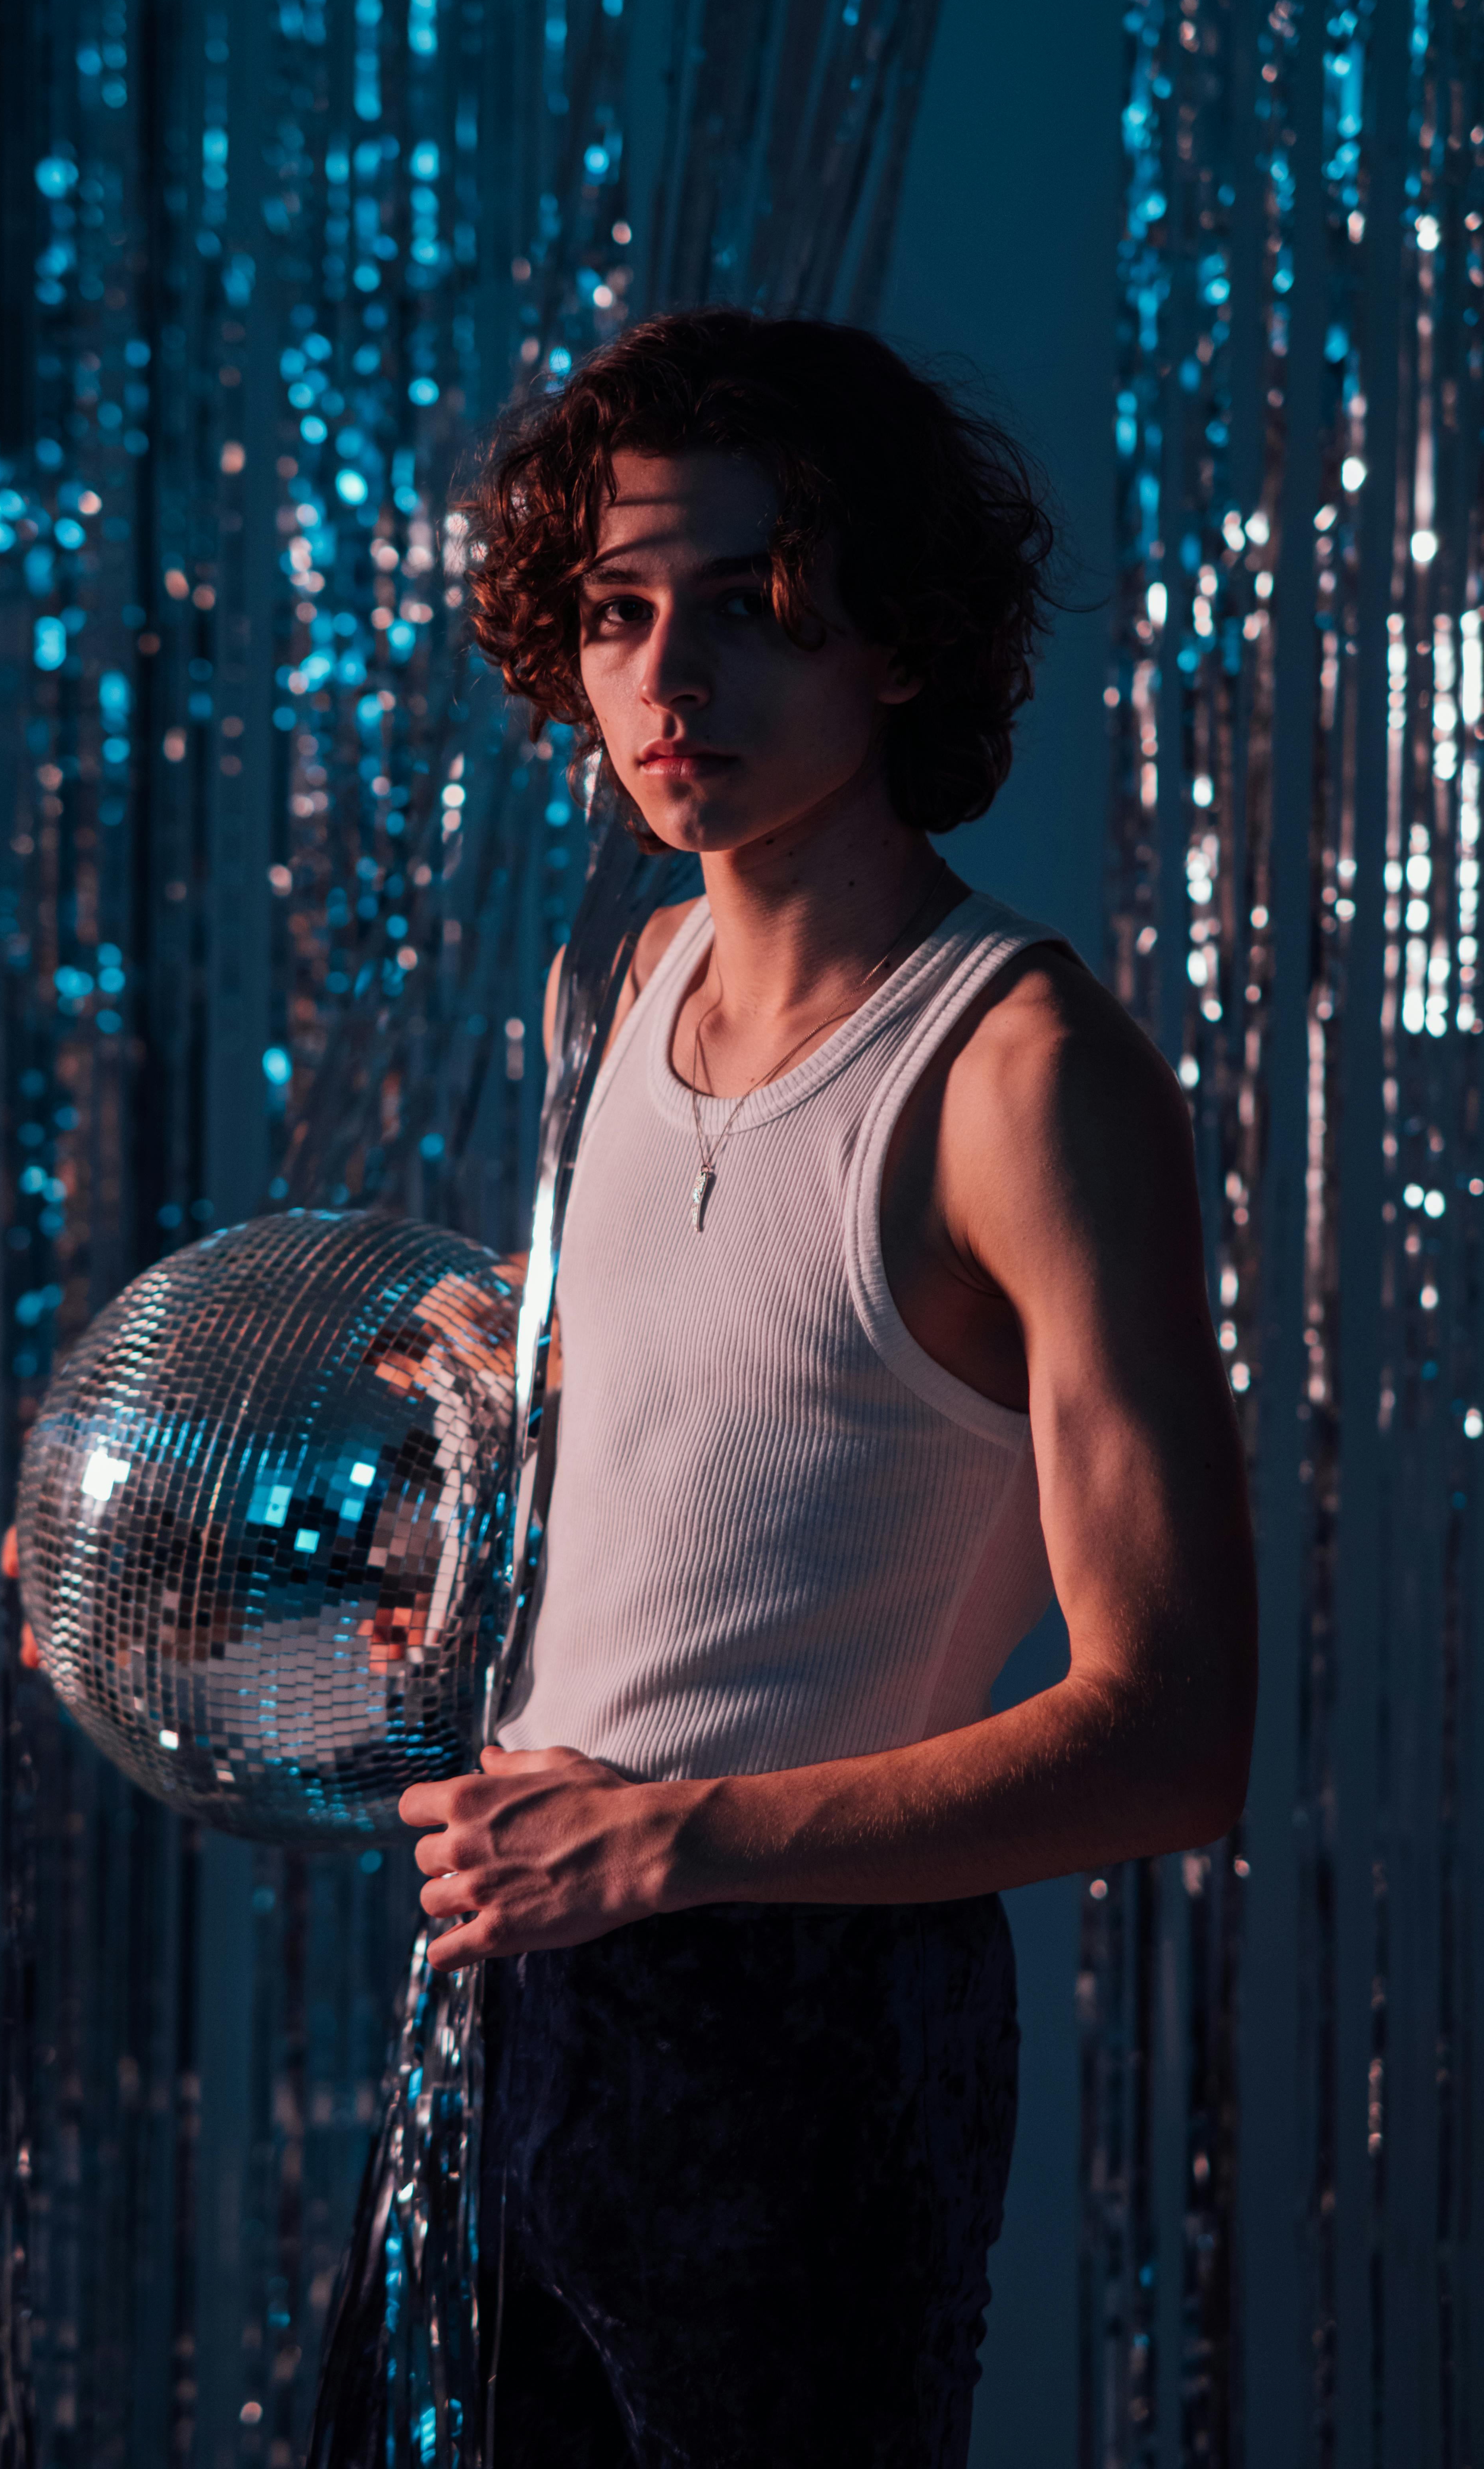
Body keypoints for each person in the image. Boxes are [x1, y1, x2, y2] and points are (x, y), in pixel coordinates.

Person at [393, 308, 1257, 2467]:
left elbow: (1173, 1743)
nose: (671, 686)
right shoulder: (627, 974)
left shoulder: (1027, 1079)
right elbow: (660, 1482)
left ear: (898, 640)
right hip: (509, 1990)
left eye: (754, 607)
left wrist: (673, 1846)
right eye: (616, 613)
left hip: (805, 2038)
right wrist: (274, 1571)